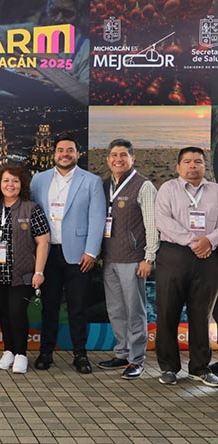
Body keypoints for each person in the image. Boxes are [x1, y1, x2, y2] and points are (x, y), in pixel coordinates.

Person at [30, 132, 105, 374]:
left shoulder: (91, 181)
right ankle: (46, 352)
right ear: (54, 154)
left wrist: (91, 252)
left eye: (70, 150)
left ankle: (80, 354)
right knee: (49, 307)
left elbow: (97, 218)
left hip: (79, 255)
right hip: (47, 254)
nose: (65, 154)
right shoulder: (38, 180)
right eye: (61, 150)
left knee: (78, 308)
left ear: (78, 154)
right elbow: (31, 215)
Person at [154, 147, 218, 387]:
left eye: (198, 162)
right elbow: (163, 222)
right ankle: (169, 368)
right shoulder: (168, 189)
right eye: (188, 161)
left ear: (204, 166)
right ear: (178, 166)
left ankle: (200, 368)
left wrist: (209, 241)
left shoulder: (216, 191)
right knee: (167, 312)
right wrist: (195, 242)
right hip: (174, 255)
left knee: (201, 315)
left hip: (208, 256)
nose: (193, 165)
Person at [98, 139, 159, 380]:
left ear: (132, 158)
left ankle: (137, 359)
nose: (118, 159)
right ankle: (122, 352)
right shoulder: (104, 185)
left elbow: (152, 225)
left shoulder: (144, 186)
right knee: (115, 309)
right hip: (109, 258)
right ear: (108, 160)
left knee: (135, 311)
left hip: (134, 259)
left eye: (123, 155)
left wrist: (149, 257)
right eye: (114, 155)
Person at [0, 165, 50, 374]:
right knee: (4, 313)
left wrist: (39, 272)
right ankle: (9, 351)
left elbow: (43, 241)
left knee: (17, 311)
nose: (10, 185)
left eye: (15, 181)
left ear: (22, 185)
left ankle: (21, 354)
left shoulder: (31, 208)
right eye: (6, 180)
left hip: (23, 273)